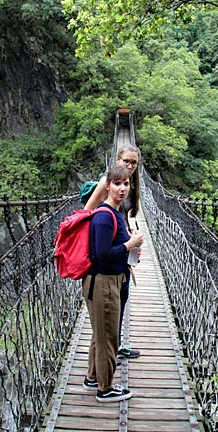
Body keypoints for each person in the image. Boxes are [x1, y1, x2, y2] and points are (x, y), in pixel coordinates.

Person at [82, 165, 144, 403]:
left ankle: (92, 377)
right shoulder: (104, 216)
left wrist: (130, 248)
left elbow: (112, 250)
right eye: (117, 183)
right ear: (106, 186)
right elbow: (102, 255)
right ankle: (105, 388)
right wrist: (129, 245)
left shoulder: (115, 213)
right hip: (104, 283)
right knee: (109, 336)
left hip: (108, 280)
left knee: (101, 333)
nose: (122, 189)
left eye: (126, 184)